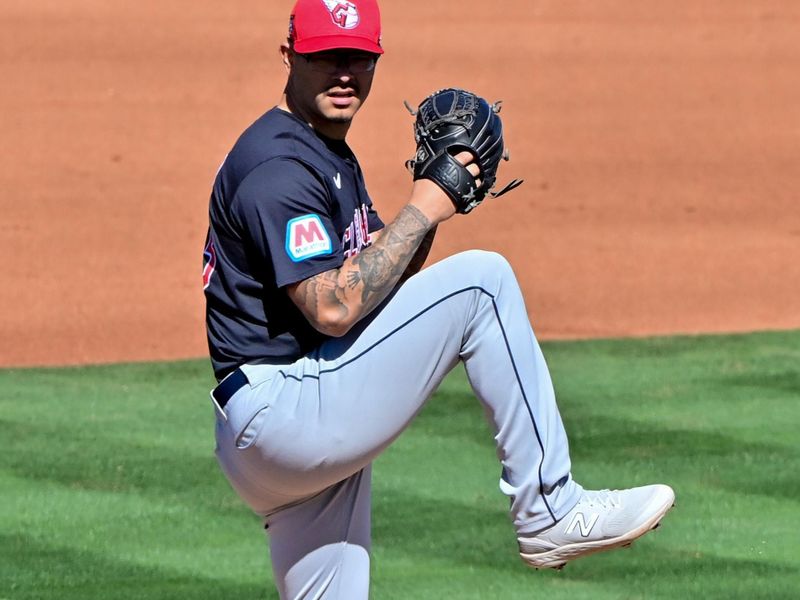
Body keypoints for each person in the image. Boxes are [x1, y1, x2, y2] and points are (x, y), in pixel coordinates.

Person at [202, 1, 675, 598]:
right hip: (285, 410)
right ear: (290, 54)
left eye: (358, 57)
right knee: (483, 282)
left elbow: (377, 276)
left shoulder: (324, 151)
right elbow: (332, 307)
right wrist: (424, 202)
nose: (343, 72)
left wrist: (441, 199)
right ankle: (549, 509)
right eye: (325, 56)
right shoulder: (278, 164)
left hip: (283, 429)